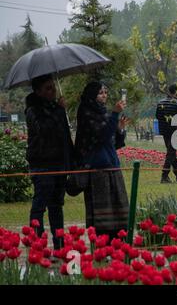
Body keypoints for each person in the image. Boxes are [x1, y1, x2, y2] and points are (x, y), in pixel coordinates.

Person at [74, 82, 129, 239]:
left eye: (106, 92)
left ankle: (117, 245)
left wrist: (120, 129)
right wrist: (114, 115)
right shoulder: (86, 112)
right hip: (97, 170)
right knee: (102, 217)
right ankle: (103, 246)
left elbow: (114, 143)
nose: (104, 95)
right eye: (100, 93)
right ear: (92, 95)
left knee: (117, 212)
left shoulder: (103, 112)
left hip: (112, 166)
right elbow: (101, 136)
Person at [25, 74, 74, 250]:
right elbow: (44, 130)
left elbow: (65, 138)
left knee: (56, 206)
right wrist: (59, 111)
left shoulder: (55, 108)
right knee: (40, 205)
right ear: (38, 91)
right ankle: (36, 245)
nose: (52, 90)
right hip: (42, 164)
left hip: (59, 165)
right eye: (48, 88)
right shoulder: (33, 110)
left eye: (53, 87)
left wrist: (70, 162)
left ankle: (59, 245)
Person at [155, 84, 177, 183]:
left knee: (171, 152)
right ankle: (164, 176)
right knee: (171, 153)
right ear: (176, 92)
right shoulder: (176, 103)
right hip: (174, 131)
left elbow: (157, 116)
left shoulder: (160, 103)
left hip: (164, 131)